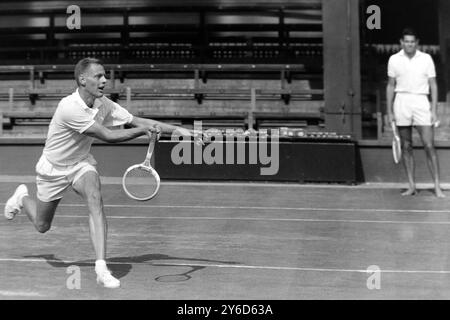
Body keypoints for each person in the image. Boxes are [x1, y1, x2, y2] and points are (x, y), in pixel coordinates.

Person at [3, 58, 196, 288]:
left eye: (105, 76)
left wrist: (177, 129)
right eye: (99, 76)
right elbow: (108, 136)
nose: (105, 80)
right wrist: (143, 131)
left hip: (80, 164)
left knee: (95, 198)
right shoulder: (69, 107)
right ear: (82, 80)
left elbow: (135, 120)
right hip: (53, 169)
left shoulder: (103, 103)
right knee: (42, 226)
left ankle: (101, 267)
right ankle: (22, 198)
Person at [386, 28, 445, 198]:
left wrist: (433, 110)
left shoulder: (426, 59)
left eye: (412, 41)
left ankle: (437, 186)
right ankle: (412, 185)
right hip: (402, 102)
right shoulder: (394, 59)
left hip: (421, 101)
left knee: (429, 145)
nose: (409, 44)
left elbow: (433, 84)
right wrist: (389, 111)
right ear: (401, 42)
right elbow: (390, 85)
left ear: (416, 43)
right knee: (406, 146)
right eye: (406, 41)